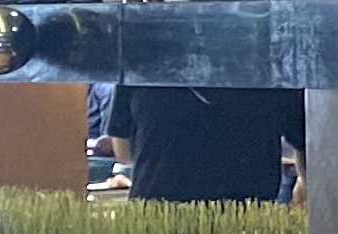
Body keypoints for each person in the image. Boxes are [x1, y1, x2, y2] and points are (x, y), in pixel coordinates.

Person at [101, 84, 303, 203]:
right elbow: (307, 145)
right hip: (248, 213)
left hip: (157, 207)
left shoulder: (142, 56)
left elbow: (123, 149)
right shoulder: (269, 59)